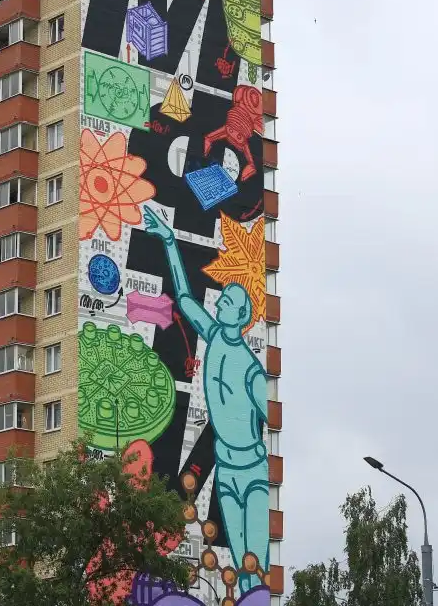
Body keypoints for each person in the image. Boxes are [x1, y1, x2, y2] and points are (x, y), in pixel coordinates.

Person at [143, 206, 269, 592]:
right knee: (241, 557)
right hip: (227, 470)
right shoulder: (213, 337)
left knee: (257, 564)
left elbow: (275, 420)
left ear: (243, 316)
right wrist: (169, 241)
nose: (220, 304)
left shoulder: (252, 370)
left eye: (228, 302)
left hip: (253, 472)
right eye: (222, 299)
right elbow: (184, 298)